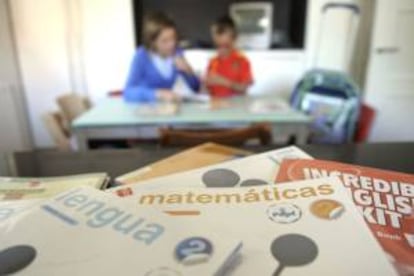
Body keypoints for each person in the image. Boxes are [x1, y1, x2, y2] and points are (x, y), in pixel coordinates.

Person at [124, 12, 200, 103]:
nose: (172, 44)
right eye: (165, 41)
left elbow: (195, 88)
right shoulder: (142, 55)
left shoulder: (177, 52)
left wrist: (189, 71)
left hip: (165, 111)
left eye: (173, 38)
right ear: (152, 42)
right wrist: (158, 94)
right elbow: (128, 92)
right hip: (144, 111)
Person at [205, 15, 253, 98]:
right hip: (216, 106)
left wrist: (222, 81)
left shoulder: (242, 60)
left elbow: (243, 88)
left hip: (236, 106)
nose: (221, 50)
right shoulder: (213, 61)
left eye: (226, 46)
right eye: (218, 46)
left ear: (234, 40)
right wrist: (204, 85)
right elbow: (207, 89)